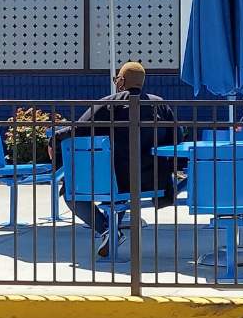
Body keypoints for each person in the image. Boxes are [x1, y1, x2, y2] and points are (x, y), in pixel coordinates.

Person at [50, 62, 177, 258]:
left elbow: (78, 129)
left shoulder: (108, 104)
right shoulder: (160, 105)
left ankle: (107, 230)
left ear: (122, 81)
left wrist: (54, 139)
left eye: (117, 78)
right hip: (153, 180)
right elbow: (176, 138)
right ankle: (111, 229)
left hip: (113, 181)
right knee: (118, 188)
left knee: (70, 191)